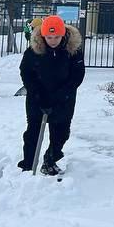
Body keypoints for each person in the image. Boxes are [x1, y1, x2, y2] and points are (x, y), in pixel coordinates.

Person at [18, 14, 86, 176]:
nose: (53, 40)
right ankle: (28, 163)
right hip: (38, 97)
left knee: (61, 131)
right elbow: (26, 73)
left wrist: (62, 95)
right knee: (33, 131)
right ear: (43, 35)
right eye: (49, 37)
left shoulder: (73, 50)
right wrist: (37, 95)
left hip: (64, 98)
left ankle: (51, 157)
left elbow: (77, 75)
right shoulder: (33, 51)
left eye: (56, 37)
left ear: (63, 35)